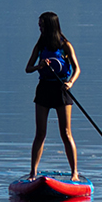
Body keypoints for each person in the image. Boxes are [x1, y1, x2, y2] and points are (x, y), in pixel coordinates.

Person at [24, 11, 81, 181]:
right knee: (40, 132)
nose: (39, 28)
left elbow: (77, 68)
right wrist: (39, 66)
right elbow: (28, 68)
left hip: (62, 90)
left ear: (49, 26)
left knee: (66, 133)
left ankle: (74, 173)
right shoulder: (40, 45)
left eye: (41, 25)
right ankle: (33, 172)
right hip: (44, 89)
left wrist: (70, 83)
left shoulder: (65, 45)